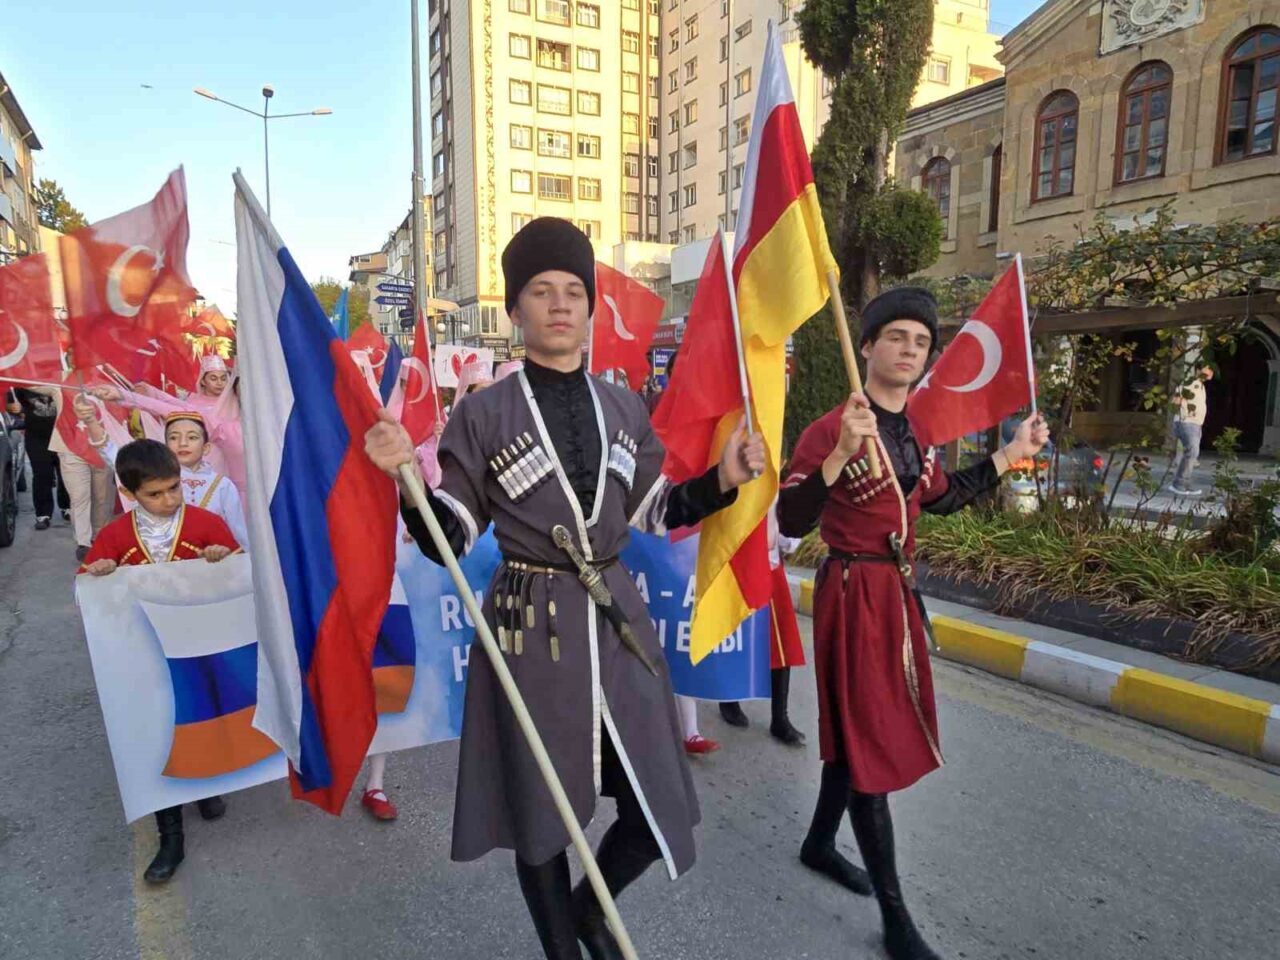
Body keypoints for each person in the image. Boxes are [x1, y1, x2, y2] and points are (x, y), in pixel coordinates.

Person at [364, 217, 764, 960]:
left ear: (588, 306)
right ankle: (563, 949)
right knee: (541, 814)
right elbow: (453, 531)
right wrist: (405, 482)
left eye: (573, 291)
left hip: (617, 623)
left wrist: (724, 482)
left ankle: (588, 914)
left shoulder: (622, 408)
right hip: (530, 628)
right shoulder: (483, 415)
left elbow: (652, 509)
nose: (559, 305)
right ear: (515, 309)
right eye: (541, 292)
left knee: (654, 808)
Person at [778, 287, 1049, 960]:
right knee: (868, 745)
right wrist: (840, 453)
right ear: (866, 346)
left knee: (852, 730)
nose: (908, 349)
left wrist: (1012, 453)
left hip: (895, 593)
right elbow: (788, 521)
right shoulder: (828, 428)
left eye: (921, 342)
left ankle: (818, 843)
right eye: (895, 336)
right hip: (851, 592)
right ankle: (898, 924)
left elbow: (945, 498)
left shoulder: (915, 431)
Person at [78, 439, 242, 883]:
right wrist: (98, 573)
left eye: (174, 489)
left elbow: (239, 575)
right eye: (155, 493)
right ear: (130, 494)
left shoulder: (207, 523)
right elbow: (88, 590)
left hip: (201, 649)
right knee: (156, 736)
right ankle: (171, 836)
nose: (168, 500)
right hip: (145, 656)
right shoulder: (113, 535)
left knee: (203, 721)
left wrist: (221, 558)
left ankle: (209, 787)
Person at [73, 399, 249, 549]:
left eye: (192, 437)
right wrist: (91, 421)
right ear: (164, 444)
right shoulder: (150, 474)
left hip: (210, 564)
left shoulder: (222, 485)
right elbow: (112, 453)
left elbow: (239, 534)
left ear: (206, 447)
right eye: (173, 437)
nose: (182, 443)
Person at [716, 502, 807, 745]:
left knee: (782, 644)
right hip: (738, 565)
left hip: (770, 568)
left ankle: (780, 718)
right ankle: (728, 698)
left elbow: (789, 540)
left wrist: (793, 526)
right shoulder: (739, 477)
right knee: (735, 636)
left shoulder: (780, 485)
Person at [91, 355, 245, 498]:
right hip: (215, 480)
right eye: (213, 378)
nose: (219, 383)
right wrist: (127, 395)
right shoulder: (225, 429)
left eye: (223, 378)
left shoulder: (258, 427)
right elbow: (176, 409)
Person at [6, 387, 70, 529]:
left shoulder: (60, 377)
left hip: (63, 434)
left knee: (66, 473)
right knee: (42, 474)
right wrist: (11, 407)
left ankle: (67, 507)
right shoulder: (23, 382)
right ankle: (43, 514)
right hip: (36, 437)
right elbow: (7, 403)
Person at [1170, 364, 1213, 497]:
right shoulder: (1189, 383)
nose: (1210, 372)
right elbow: (1175, 401)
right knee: (1192, 452)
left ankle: (1183, 483)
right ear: (1199, 370)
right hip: (1186, 422)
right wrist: (1185, 412)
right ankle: (1179, 484)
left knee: (1192, 454)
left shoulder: (1200, 385)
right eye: (1208, 369)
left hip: (1195, 424)